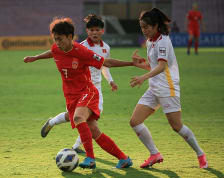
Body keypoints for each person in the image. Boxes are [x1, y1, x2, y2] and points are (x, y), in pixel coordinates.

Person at [24, 17, 136, 169]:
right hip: (70, 96)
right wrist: (35, 58)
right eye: (55, 39)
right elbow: (52, 52)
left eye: (60, 39)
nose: (57, 43)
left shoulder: (82, 51)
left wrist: (131, 63)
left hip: (87, 91)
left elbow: (106, 63)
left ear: (70, 37)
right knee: (94, 132)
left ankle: (90, 158)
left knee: (78, 117)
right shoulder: (57, 48)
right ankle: (123, 159)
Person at [130, 8, 208, 169]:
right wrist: (139, 65)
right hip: (154, 89)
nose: (144, 30)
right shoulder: (151, 41)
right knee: (135, 121)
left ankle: (201, 154)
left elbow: (162, 66)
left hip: (168, 88)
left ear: (156, 25)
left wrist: (143, 78)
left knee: (176, 126)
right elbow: (152, 66)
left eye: (147, 27)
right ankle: (154, 154)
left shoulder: (163, 41)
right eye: (142, 27)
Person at [40, 14, 118, 154]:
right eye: (92, 30)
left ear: (102, 31)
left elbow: (104, 66)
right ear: (87, 31)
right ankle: (55, 125)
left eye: (98, 30)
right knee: (79, 117)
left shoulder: (106, 47)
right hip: (80, 88)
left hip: (96, 88)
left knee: (85, 117)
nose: (95, 32)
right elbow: (58, 52)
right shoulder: (81, 46)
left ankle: (76, 144)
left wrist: (110, 80)